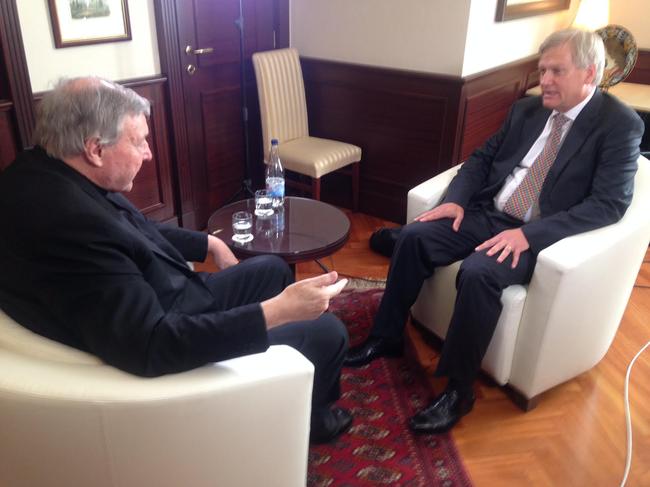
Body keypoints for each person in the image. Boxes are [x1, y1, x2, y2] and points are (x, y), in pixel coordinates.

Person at [0, 77, 352, 444]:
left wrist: (206, 245)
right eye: (138, 141)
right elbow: (152, 345)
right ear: (94, 149)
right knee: (328, 332)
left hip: (170, 293)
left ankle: (284, 382)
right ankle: (314, 421)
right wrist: (278, 311)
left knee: (272, 268)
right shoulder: (74, 227)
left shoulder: (42, 169)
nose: (148, 152)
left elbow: (132, 230)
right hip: (174, 328)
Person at [345, 28, 644, 433]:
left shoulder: (618, 125)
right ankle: (387, 336)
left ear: (589, 73)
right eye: (542, 70)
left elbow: (608, 204)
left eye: (557, 70)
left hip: (539, 232)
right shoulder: (527, 111)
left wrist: (529, 236)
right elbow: (482, 159)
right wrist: (455, 199)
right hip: (490, 212)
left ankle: (459, 389)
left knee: (479, 272)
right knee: (415, 235)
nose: (546, 80)